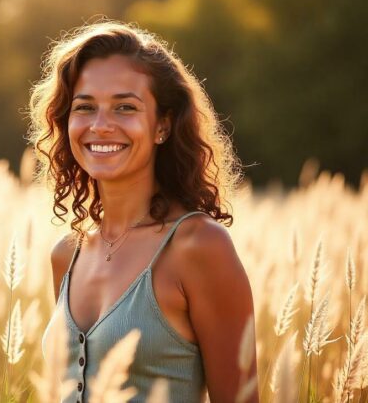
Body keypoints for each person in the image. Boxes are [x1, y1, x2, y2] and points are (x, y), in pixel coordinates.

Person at [28, 20, 259, 403]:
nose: (101, 126)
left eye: (125, 107)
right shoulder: (67, 254)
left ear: (162, 127)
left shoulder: (199, 247)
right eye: (84, 107)